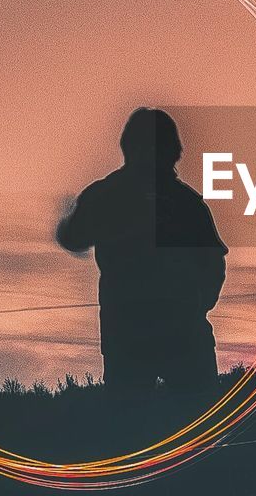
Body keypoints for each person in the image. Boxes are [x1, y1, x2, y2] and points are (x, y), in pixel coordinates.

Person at [56, 109, 227, 392]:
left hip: (127, 335)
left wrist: (66, 218)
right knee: (196, 425)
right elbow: (214, 265)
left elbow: (73, 238)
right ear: (174, 151)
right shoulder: (187, 203)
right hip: (182, 335)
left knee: (130, 429)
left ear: (127, 147)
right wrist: (196, 308)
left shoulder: (105, 195)